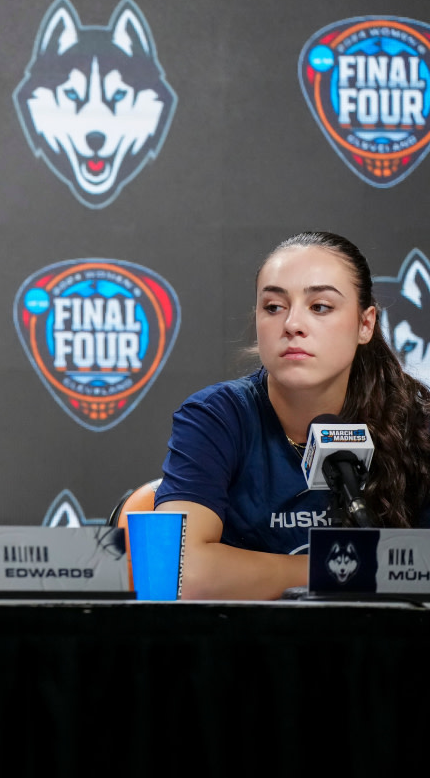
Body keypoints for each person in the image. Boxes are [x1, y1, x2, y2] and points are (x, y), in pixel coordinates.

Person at [155, 231, 430, 600]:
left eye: (319, 307)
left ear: (366, 324)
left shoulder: (417, 423)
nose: (292, 325)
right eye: (273, 307)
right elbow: (180, 570)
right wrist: (353, 569)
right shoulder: (217, 416)